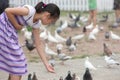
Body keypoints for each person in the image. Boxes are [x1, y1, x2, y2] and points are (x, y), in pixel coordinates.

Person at [0, 2, 60, 80]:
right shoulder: (29, 11)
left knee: (18, 65)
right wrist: (16, 25)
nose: (50, 23)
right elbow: (8, 10)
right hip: (3, 27)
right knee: (18, 64)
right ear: (47, 15)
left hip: (10, 33)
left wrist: (46, 64)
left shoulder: (36, 24)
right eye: (51, 21)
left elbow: (38, 44)